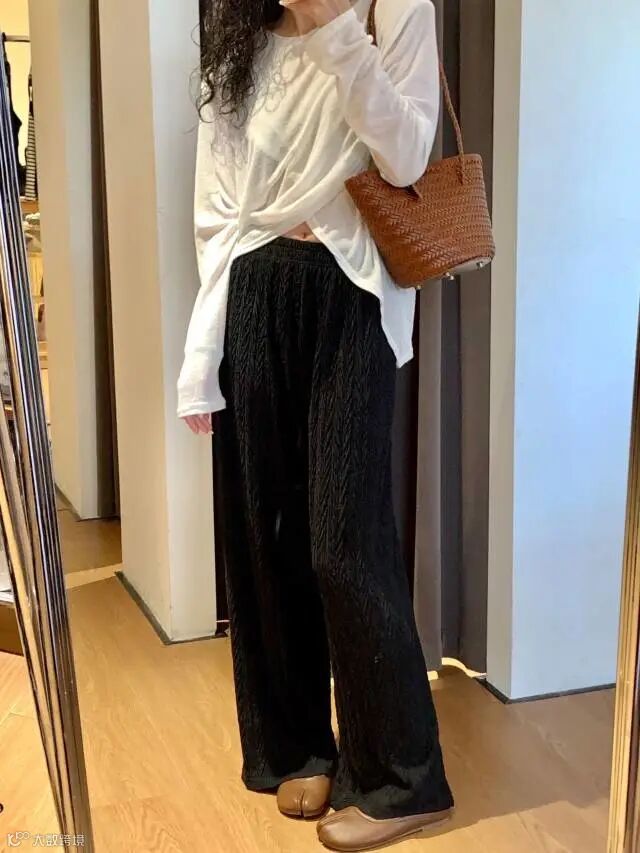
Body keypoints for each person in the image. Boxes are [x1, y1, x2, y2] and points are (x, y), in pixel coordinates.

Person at [177, 0, 455, 849]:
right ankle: (298, 744)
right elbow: (216, 197)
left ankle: (403, 778)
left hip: (351, 289)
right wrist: (209, 336)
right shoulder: (241, 25)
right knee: (265, 533)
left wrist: (338, 32)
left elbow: (407, 155)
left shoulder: (393, 8)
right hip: (255, 289)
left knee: (344, 540)